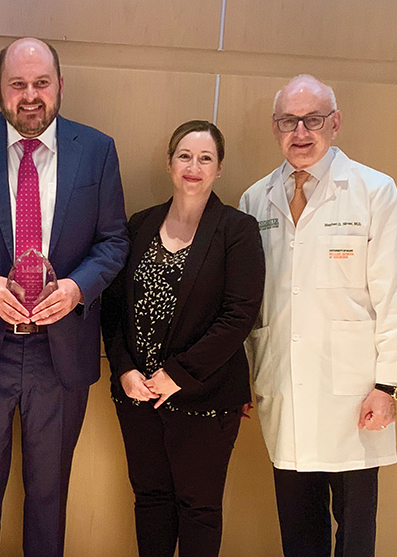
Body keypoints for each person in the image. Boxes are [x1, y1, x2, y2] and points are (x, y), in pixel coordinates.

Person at [0, 37, 129, 557]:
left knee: (49, 496)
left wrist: (79, 287)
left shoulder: (97, 149)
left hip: (60, 352)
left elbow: (114, 240)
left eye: (41, 83)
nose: (30, 95)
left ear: (60, 85)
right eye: (18, 84)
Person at [239, 74, 397, 557]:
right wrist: (246, 376)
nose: (300, 132)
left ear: (335, 123)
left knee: (355, 526)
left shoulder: (373, 190)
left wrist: (388, 387)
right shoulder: (256, 200)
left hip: (355, 391)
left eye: (313, 119)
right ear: (275, 128)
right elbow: (248, 302)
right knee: (297, 521)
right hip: (283, 379)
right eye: (287, 121)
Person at [101, 120, 264, 557]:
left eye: (205, 158)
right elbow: (112, 308)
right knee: (150, 501)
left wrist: (178, 374)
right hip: (137, 395)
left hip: (205, 396)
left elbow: (239, 316)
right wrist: (125, 370)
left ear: (219, 168)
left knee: (199, 508)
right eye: (185, 156)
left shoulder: (238, 230)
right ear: (170, 163)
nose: (194, 166)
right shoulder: (139, 225)